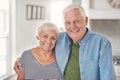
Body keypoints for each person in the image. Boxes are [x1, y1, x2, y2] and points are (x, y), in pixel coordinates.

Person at [14, 4, 116, 80]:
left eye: (76, 21)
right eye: (68, 22)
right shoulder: (59, 39)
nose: (72, 26)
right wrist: (21, 61)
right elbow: (43, 50)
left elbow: (108, 77)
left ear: (85, 20)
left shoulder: (102, 43)